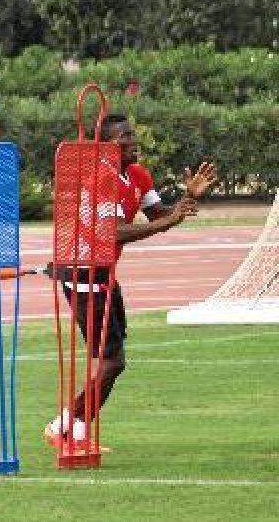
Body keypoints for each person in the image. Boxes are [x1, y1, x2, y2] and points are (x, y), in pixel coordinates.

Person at [43, 113, 217, 450]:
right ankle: (61, 425)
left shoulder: (137, 175)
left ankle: (75, 432)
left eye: (132, 135)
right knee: (113, 362)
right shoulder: (98, 180)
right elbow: (111, 234)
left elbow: (159, 214)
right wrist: (168, 223)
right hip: (82, 275)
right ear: (106, 145)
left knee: (114, 361)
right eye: (124, 137)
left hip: (105, 274)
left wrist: (189, 199)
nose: (132, 141)